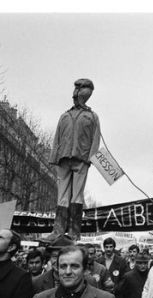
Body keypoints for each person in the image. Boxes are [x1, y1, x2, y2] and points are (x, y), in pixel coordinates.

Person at [47, 78, 100, 241]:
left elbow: (96, 139)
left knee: (77, 196)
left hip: (81, 158)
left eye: (82, 88)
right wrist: (53, 157)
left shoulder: (92, 116)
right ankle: (58, 231)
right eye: (77, 87)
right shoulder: (65, 115)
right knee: (62, 195)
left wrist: (90, 158)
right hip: (63, 158)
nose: (78, 91)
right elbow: (57, 137)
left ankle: (74, 231)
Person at [30, 246, 117, 298]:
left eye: (74, 266)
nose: (68, 272)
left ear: (85, 270)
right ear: (57, 268)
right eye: (63, 266)